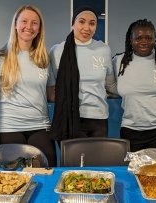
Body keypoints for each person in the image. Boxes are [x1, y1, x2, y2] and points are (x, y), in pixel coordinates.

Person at [0, 5, 56, 166]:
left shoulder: (44, 59)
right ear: (15, 25)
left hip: (40, 126)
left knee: (48, 172)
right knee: (10, 182)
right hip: (8, 127)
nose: (29, 26)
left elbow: (51, 94)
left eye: (34, 23)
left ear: (39, 29)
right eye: (24, 21)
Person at [47, 6, 117, 142]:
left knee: (98, 161)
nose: (87, 27)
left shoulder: (103, 49)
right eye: (82, 21)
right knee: (73, 161)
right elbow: (51, 88)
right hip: (69, 118)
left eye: (92, 23)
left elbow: (110, 85)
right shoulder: (57, 51)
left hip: (99, 118)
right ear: (73, 23)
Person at [113, 19, 156, 152]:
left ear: (155, 40)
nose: (144, 41)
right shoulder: (119, 62)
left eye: (149, 37)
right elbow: (109, 84)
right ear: (131, 40)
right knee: (135, 172)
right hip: (131, 130)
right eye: (139, 37)